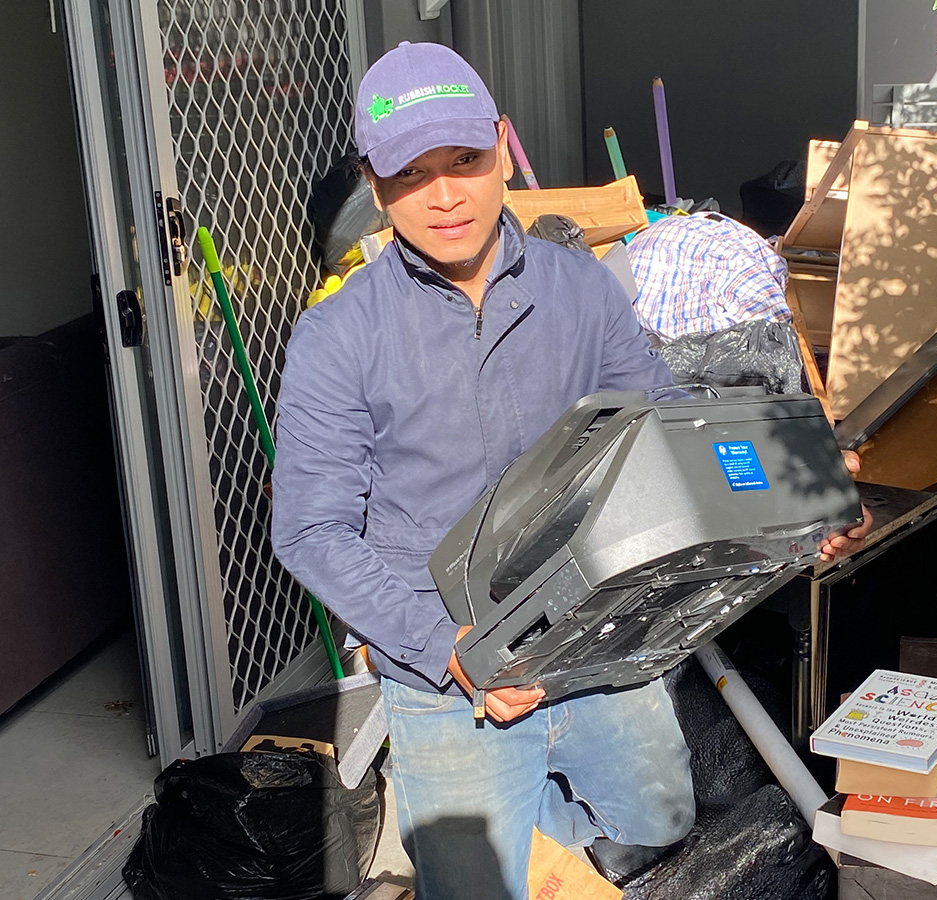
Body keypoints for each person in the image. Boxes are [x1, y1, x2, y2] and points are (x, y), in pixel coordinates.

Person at [272, 41, 870, 900]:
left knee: (656, 823)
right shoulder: (339, 338)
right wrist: (445, 653)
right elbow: (310, 528)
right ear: (375, 182)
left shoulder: (578, 289)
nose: (445, 196)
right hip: (450, 677)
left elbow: (669, 431)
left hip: (598, 641)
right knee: (476, 887)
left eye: (466, 162)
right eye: (412, 174)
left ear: (502, 146)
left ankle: (555, 861)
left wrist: (806, 496)